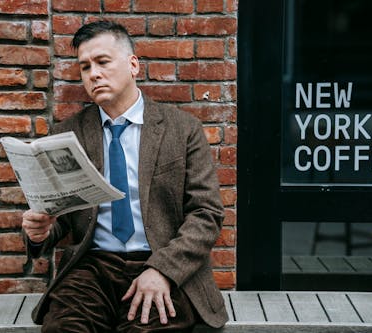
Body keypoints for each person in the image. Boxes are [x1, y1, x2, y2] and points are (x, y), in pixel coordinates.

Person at [21, 20, 228, 333]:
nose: (93, 73)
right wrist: (41, 233)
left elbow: (206, 213)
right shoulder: (67, 134)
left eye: (103, 62)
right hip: (91, 268)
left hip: (161, 261)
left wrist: (163, 270)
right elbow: (61, 214)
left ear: (133, 65)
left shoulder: (182, 129)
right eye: (85, 67)